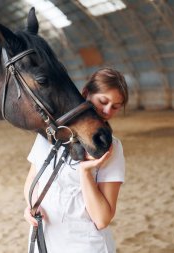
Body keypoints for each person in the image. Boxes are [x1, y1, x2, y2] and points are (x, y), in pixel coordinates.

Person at [23, 67, 129, 253]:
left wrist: (86, 172)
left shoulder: (111, 148)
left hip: (84, 244)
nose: (107, 110)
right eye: (103, 101)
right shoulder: (49, 134)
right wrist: (31, 206)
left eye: (115, 106)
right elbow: (32, 180)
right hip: (45, 237)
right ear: (85, 93)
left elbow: (102, 219)